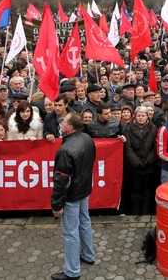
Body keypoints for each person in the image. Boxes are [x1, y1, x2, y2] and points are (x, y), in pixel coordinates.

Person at [51, 113, 96, 280]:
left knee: (70, 233)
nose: (61, 124)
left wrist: (56, 205)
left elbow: (61, 181)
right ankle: (88, 255)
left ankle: (72, 271)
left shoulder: (65, 150)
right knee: (84, 221)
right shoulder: (87, 138)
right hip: (84, 190)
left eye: (63, 122)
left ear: (70, 127)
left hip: (72, 195)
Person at [122, 106, 157, 215]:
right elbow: (128, 148)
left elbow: (155, 146)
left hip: (149, 164)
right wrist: (136, 162)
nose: (141, 118)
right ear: (135, 116)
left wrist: (149, 160)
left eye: (143, 115)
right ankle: (136, 209)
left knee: (147, 188)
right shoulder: (128, 128)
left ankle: (146, 209)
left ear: (147, 116)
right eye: (139, 116)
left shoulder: (153, 127)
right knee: (135, 188)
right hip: (134, 165)